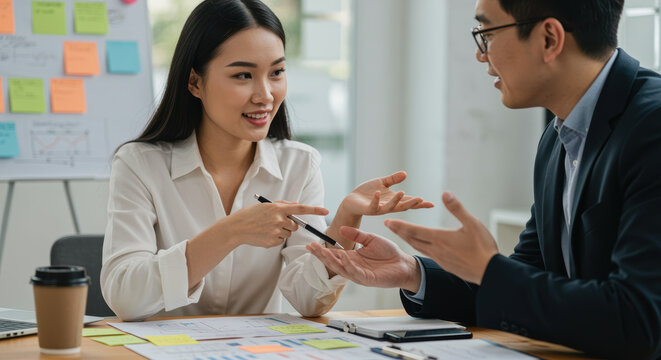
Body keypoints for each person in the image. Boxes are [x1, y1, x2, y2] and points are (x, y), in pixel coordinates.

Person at [307, 0, 661, 358]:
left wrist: (491, 271)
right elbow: (526, 278)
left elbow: (639, 319)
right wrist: (413, 273)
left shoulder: (652, 127)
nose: (480, 56)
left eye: (487, 34)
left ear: (549, 38)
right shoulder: (558, 137)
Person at [101, 0, 432, 322]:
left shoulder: (298, 165)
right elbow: (125, 298)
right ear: (195, 82)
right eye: (243, 76)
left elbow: (308, 302)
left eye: (276, 72)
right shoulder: (139, 164)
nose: (265, 94)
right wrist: (229, 232)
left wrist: (345, 219)